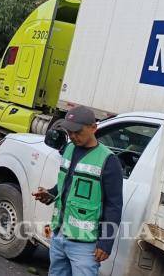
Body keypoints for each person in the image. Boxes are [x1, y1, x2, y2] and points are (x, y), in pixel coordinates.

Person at [33, 105, 123, 276]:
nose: (73, 136)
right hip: (59, 235)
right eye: (70, 132)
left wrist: (105, 243)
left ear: (93, 127)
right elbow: (66, 185)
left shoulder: (109, 161)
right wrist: (51, 194)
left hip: (85, 245)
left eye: (78, 132)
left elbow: (114, 206)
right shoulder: (68, 149)